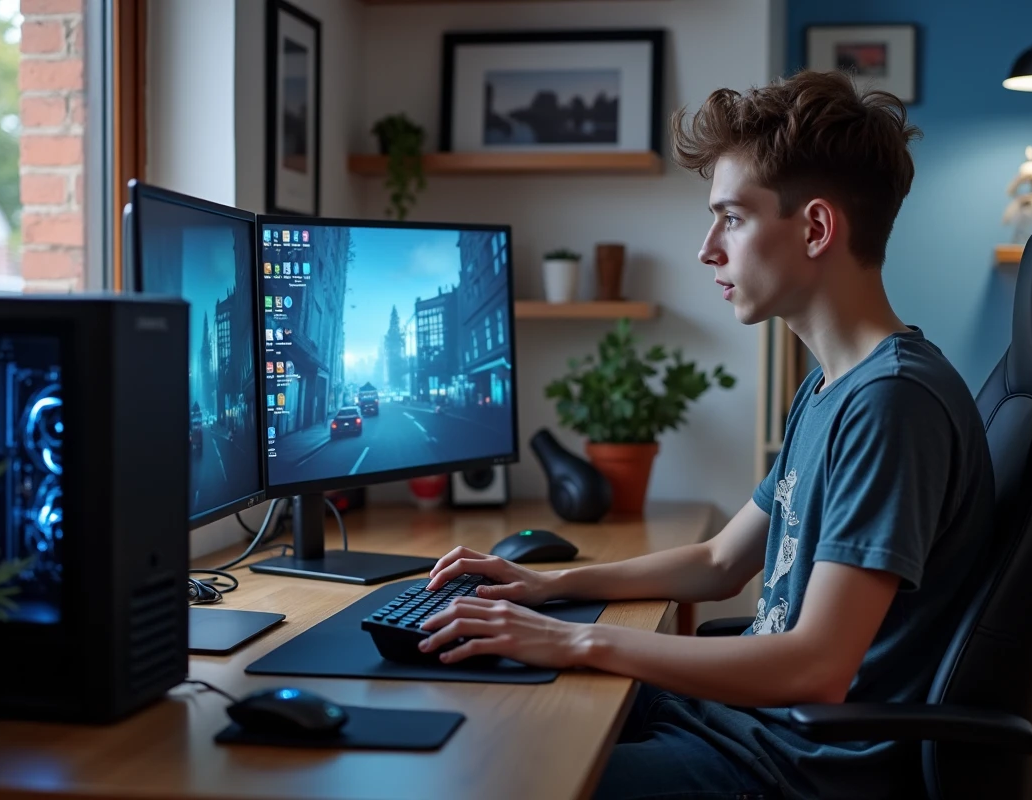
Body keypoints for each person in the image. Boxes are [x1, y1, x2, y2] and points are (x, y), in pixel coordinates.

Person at [418, 69, 996, 800]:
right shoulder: (831, 388)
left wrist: (578, 638)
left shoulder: (892, 405)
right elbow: (723, 561)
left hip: (791, 767)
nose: (706, 249)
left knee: (495, 777)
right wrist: (550, 587)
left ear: (816, 228)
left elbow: (817, 667)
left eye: (732, 217)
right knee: (483, 709)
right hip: (742, 726)